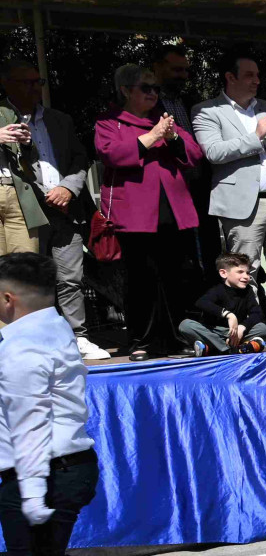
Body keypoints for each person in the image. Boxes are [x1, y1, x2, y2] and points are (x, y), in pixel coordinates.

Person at [0, 253, 176, 556]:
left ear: (6, 299)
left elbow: (30, 426)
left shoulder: (21, 349)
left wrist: (33, 493)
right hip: (60, 467)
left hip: (40, 471)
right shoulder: (50, 327)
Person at [0, 58, 110, 358]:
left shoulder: (59, 119)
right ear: (7, 84)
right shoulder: (2, 117)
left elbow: (79, 158)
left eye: (39, 81)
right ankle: (33, 339)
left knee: (70, 277)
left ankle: (77, 336)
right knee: (28, 278)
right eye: (27, 82)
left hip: (65, 208)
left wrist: (68, 188)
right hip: (25, 209)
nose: (35, 87)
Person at [94, 63, 202, 361]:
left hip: (171, 210)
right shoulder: (109, 122)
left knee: (173, 277)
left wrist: (173, 138)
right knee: (141, 280)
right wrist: (153, 135)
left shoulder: (165, 121)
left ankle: (176, 340)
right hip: (134, 213)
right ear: (126, 90)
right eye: (146, 88)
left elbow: (194, 154)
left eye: (156, 88)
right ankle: (142, 340)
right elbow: (112, 154)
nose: (154, 93)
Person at [194, 53, 266, 315]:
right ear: (230, 77)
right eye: (249, 75)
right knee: (246, 270)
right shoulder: (207, 110)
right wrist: (255, 136)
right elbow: (214, 152)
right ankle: (253, 327)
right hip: (243, 204)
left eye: (257, 75)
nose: (256, 80)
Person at [179, 252, 266, 354]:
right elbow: (202, 302)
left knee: (263, 328)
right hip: (214, 332)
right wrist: (228, 315)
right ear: (224, 273)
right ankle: (232, 349)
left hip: (237, 333)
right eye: (240, 272)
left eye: (248, 273)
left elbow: (257, 313)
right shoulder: (217, 289)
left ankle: (212, 348)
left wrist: (242, 327)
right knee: (185, 325)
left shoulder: (248, 290)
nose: (246, 276)